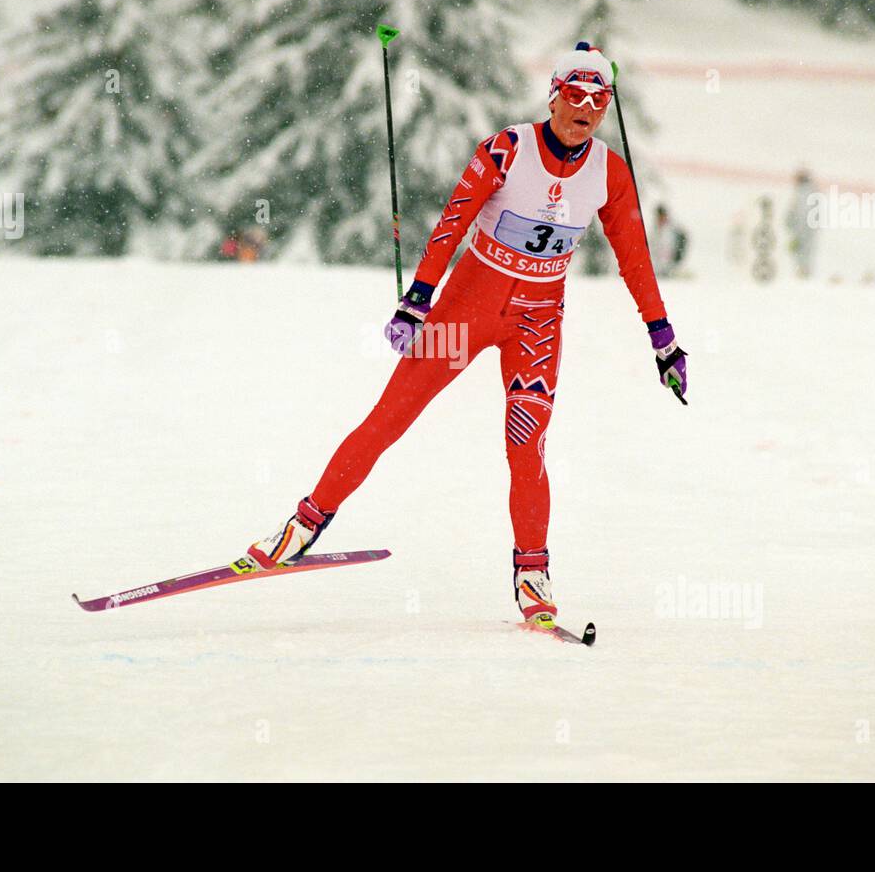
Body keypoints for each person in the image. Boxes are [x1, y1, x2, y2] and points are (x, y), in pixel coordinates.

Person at [235, 43, 687, 626]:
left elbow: (636, 260)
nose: (586, 108)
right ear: (553, 95)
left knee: (527, 446)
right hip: (463, 314)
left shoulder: (609, 173)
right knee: (389, 418)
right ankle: (302, 525)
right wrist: (418, 299)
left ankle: (532, 574)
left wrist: (663, 337)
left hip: (537, 324)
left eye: (599, 99)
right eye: (574, 94)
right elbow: (452, 222)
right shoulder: (506, 149)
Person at [784, 167, 819, 278]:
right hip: (806, 229)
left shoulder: (803, 193)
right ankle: (803, 271)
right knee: (805, 251)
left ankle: (802, 272)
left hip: (802, 229)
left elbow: (799, 212)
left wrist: (790, 224)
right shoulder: (811, 192)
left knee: (802, 251)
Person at [649, 203, 689, 279]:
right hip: (657, 267)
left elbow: (670, 248)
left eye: (661, 216)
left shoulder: (671, 230)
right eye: (658, 217)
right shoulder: (655, 230)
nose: (659, 219)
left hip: (669, 266)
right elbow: (652, 247)